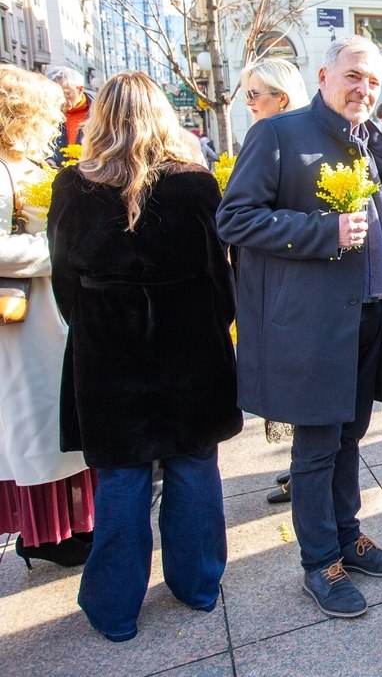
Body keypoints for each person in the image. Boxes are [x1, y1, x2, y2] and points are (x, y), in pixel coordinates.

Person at [47, 71, 243, 642]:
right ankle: (199, 584)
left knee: (122, 477)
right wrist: (211, 325)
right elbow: (219, 277)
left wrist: (93, 322)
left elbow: (64, 280)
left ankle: (113, 609)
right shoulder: (194, 185)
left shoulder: (73, 186)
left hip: (108, 350)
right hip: (190, 345)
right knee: (193, 467)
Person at [217, 35, 382, 620]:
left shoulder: (370, 140)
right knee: (317, 446)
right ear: (323, 75)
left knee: (351, 437)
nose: (364, 89)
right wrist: (323, 232)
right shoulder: (278, 134)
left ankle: (348, 537)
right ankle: (319, 561)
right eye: (354, 76)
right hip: (313, 325)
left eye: (373, 81)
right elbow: (235, 218)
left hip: (368, 315)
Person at [0, 65, 95, 570]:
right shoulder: (3, 170)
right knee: (36, 428)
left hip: (45, 315)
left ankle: (63, 527)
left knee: (52, 425)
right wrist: (56, 247)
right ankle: (46, 535)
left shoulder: (19, 162)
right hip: (23, 322)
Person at [238, 56, 310, 506]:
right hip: (280, 290)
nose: (248, 103)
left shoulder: (276, 134)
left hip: (291, 294)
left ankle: (300, 471)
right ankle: (300, 472)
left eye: (254, 95)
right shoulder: (268, 134)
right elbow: (238, 216)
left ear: (281, 98)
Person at [45, 65, 93, 167]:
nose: (61, 100)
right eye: (55, 95)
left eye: (66, 94)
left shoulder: (99, 112)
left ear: (80, 89)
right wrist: (47, 159)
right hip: (56, 176)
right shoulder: (45, 113)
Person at [243, 57, 309, 126]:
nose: (248, 102)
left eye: (254, 94)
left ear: (283, 99)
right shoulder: (309, 130)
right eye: (248, 94)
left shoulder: (267, 133)